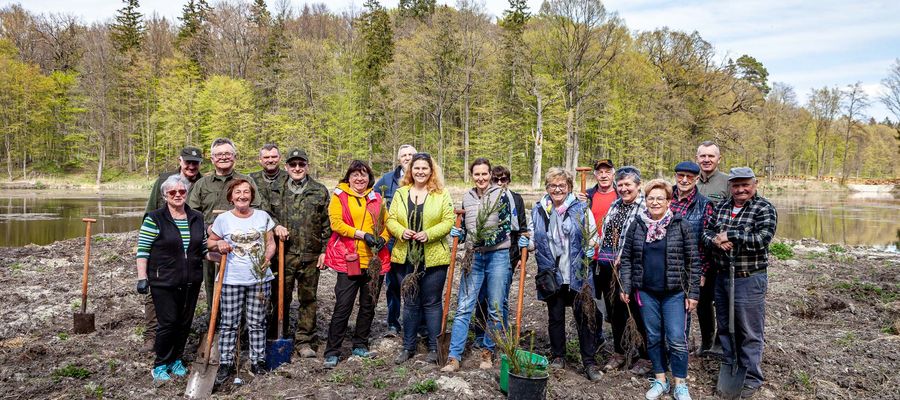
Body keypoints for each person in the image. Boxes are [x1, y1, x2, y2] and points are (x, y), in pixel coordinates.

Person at [619, 179, 701, 400]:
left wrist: (693, 293)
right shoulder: (637, 225)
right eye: (650, 198)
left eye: (660, 199)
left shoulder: (680, 225)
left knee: (676, 338)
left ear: (669, 201)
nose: (655, 202)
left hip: (674, 292)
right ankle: (661, 379)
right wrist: (626, 286)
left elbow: (693, 261)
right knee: (654, 336)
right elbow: (626, 259)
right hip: (646, 291)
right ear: (645, 201)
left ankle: (680, 383)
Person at [703, 167, 777, 399]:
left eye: (745, 184)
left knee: (749, 329)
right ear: (730, 186)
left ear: (754, 184)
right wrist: (716, 240)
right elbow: (705, 232)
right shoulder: (723, 206)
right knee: (725, 326)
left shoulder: (764, 208)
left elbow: (763, 239)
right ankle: (730, 365)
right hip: (723, 276)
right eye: (736, 185)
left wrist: (731, 235)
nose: (740, 189)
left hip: (749, 278)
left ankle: (752, 376)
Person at [527, 167, 601, 380]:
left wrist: (591, 246)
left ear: (569, 187)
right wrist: (527, 243)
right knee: (555, 317)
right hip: (552, 273)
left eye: (562, 185)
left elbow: (593, 235)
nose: (557, 189)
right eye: (553, 185)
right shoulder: (539, 209)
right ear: (547, 187)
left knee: (584, 317)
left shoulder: (581, 208)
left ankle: (589, 362)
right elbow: (534, 238)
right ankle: (558, 356)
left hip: (577, 271)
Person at [441, 158, 512, 372]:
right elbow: (466, 231)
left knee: (495, 307)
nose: (481, 178)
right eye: (476, 174)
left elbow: (505, 227)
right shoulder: (467, 197)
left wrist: (483, 240)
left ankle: (487, 351)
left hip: (498, 256)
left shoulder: (501, 195)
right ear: (472, 175)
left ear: (490, 174)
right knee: (464, 306)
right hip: (474, 257)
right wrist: (459, 234)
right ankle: (454, 356)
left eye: (484, 174)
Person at [135, 175, 206, 382]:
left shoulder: (197, 217)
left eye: (181, 191)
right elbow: (143, 251)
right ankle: (160, 363)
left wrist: (219, 253)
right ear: (165, 195)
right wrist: (142, 277)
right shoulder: (154, 218)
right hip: (163, 280)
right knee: (168, 323)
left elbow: (201, 248)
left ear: (186, 193)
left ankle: (177, 359)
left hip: (191, 279)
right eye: (172, 192)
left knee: (184, 323)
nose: (177, 195)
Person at [386, 153, 454, 364]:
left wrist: (429, 233)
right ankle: (408, 347)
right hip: (405, 256)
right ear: (410, 170)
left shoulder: (441, 194)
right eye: (417, 168)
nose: (420, 172)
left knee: (432, 302)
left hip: (433, 257)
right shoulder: (401, 193)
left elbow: (448, 220)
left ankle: (434, 348)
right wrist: (400, 231)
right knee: (410, 302)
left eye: (425, 168)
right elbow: (390, 219)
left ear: (431, 171)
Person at [322, 160, 391, 369]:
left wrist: (383, 239)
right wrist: (362, 235)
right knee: (343, 306)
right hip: (349, 259)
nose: (359, 179)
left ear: (369, 178)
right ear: (348, 177)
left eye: (363, 175)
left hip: (374, 261)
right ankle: (332, 351)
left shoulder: (376, 197)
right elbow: (337, 224)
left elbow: (386, 224)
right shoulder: (339, 196)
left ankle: (360, 344)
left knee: (368, 305)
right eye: (355, 175)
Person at [263, 148, 331, 358]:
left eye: (301, 164)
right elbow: (264, 214)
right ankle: (275, 336)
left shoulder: (319, 190)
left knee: (308, 299)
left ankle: (304, 340)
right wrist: (275, 226)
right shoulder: (275, 190)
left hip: (310, 256)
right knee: (278, 297)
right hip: (283, 256)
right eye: (293, 165)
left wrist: (324, 251)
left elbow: (328, 224)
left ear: (307, 166)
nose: (297, 168)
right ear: (287, 167)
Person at [207, 178, 276, 384]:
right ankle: (226, 362)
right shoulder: (223, 220)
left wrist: (267, 257)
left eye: (246, 192)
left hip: (259, 279)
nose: (242, 196)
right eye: (238, 192)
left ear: (252, 196)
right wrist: (218, 242)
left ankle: (258, 361)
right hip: (230, 279)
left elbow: (270, 242)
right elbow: (210, 242)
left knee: (257, 322)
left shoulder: (263, 216)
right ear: (231, 196)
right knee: (229, 323)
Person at [141, 146, 204, 352]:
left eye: (195, 163)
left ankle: (176, 342)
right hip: (163, 244)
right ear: (180, 161)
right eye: (188, 162)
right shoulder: (164, 180)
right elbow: (151, 210)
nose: (191, 166)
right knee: (156, 293)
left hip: (189, 247)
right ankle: (151, 336)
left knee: (185, 294)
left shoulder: (203, 182)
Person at [188, 138, 263, 309]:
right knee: (213, 289)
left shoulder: (246, 181)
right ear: (212, 159)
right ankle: (214, 329)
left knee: (244, 290)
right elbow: (192, 214)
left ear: (234, 157)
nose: (223, 157)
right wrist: (208, 228)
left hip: (244, 245)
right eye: (219, 154)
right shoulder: (202, 184)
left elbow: (258, 209)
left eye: (227, 153)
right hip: (212, 244)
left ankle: (241, 331)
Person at [596, 166, 651, 375]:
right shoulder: (615, 205)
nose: (624, 189)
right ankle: (620, 352)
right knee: (616, 311)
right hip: (608, 265)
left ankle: (645, 356)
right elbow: (607, 233)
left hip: (633, 268)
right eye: (620, 185)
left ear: (638, 185)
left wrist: (626, 256)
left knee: (637, 311)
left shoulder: (645, 207)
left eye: (628, 184)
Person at [472, 165, 527, 349]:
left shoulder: (517, 199)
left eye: (504, 179)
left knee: (500, 298)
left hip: (508, 254)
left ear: (509, 181)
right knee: (481, 296)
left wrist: (521, 257)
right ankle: (480, 333)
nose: (500, 183)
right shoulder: (486, 198)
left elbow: (522, 228)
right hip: (486, 251)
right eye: (496, 179)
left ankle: (498, 335)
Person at [670, 161, 714, 353]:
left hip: (688, 268)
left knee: (683, 312)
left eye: (689, 177)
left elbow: (705, 243)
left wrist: (702, 271)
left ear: (697, 179)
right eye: (681, 176)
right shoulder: (663, 196)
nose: (685, 180)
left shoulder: (704, 205)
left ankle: (678, 354)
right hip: (661, 264)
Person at [374, 144, 417, 338]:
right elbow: (374, 202)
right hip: (392, 240)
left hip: (417, 239)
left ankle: (416, 322)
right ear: (399, 159)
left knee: (416, 280)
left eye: (411, 155)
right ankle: (393, 322)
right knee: (393, 284)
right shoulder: (386, 180)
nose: (407, 158)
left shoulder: (422, 177)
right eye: (404, 155)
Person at [576, 159, 618, 349]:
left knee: (613, 300)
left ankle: (619, 340)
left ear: (613, 173)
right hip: (590, 256)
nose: (603, 175)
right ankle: (597, 336)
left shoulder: (620, 195)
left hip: (612, 257)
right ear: (595, 175)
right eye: (600, 171)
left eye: (607, 171)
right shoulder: (588, 195)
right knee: (593, 298)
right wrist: (579, 203)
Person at [695, 140, 728, 355]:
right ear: (697, 158)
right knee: (702, 299)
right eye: (703, 156)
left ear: (718, 158)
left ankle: (721, 343)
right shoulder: (691, 182)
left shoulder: (727, 183)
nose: (707, 160)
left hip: (721, 251)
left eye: (711, 156)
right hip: (698, 252)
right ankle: (706, 342)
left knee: (722, 299)